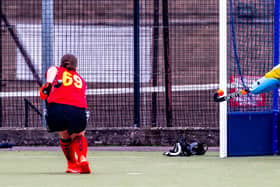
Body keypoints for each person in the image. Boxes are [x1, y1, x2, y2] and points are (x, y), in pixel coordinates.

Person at [39, 54, 91, 174]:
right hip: (77, 109)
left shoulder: (57, 70)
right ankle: (82, 157)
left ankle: (72, 165)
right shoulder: (80, 80)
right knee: (78, 135)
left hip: (56, 108)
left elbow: (52, 70)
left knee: (64, 135)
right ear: (75, 66)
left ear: (62, 63)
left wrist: (48, 84)